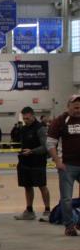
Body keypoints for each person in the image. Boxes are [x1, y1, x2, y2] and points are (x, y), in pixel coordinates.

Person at [46, 95, 80, 236]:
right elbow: (50, 143)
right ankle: (69, 226)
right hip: (67, 166)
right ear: (68, 106)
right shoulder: (60, 121)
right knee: (66, 198)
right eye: (76, 107)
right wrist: (57, 162)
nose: (78, 110)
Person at [14, 106, 51, 220]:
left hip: (38, 162)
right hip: (25, 162)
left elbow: (45, 147)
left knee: (42, 186)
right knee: (27, 186)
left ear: (33, 116)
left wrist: (32, 151)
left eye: (28, 118)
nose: (26, 121)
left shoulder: (41, 128)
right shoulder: (23, 129)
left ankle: (47, 211)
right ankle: (29, 211)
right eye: (24, 118)